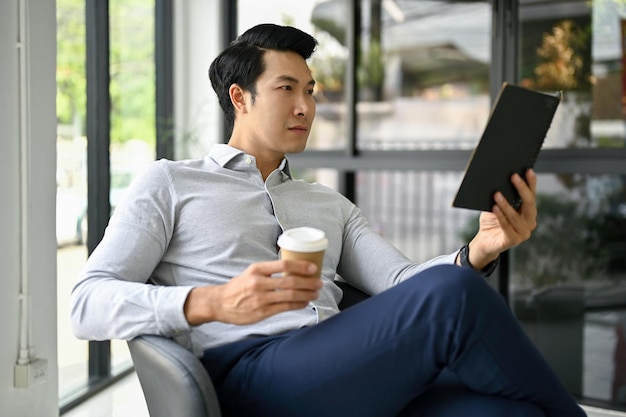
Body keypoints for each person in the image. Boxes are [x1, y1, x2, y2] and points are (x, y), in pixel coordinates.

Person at [70, 23, 586, 417]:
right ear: (239, 98)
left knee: (514, 411)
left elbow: (403, 284)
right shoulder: (171, 183)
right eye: (287, 89)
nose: (305, 106)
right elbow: (87, 301)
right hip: (253, 376)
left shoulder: (327, 203)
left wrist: (480, 250)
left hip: (344, 370)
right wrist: (214, 302)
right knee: (457, 293)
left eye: (311, 91)